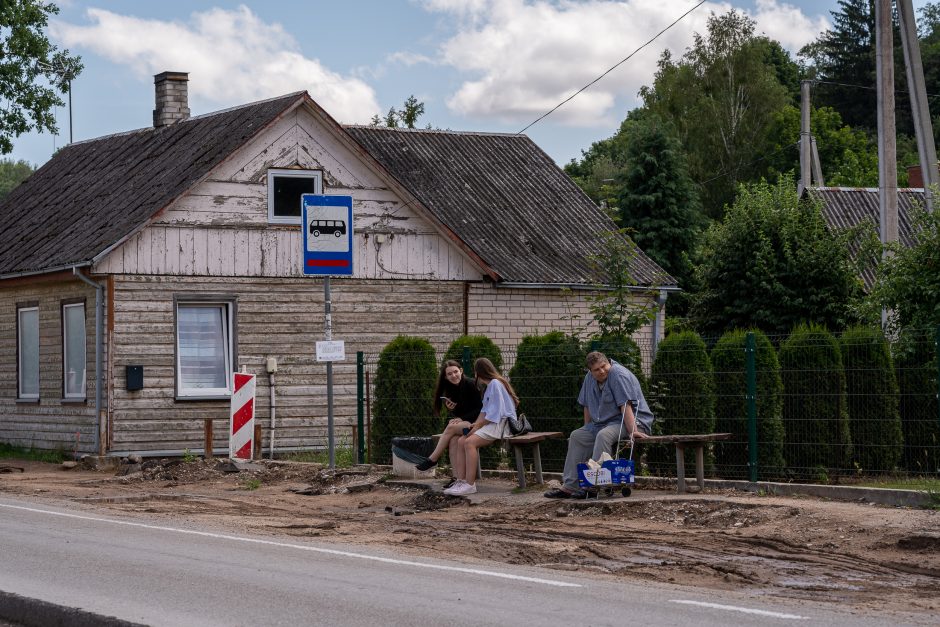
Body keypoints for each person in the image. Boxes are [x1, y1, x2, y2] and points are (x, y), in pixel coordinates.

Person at [544, 351, 654, 499]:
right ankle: (570, 487)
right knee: (577, 436)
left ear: (608, 362)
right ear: (590, 371)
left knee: (603, 435)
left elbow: (625, 405)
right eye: (597, 369)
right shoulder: (589, 378)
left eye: (604, 366)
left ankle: (592, 486)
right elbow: (587, 405)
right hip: (603, 423)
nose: (602, 371)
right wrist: (587, 429)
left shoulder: (618, 374)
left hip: (632, 421)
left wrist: (633, 430)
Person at [443, 357, 519, 496]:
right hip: (491, 423)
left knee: (470, 443)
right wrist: (475, 425)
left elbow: (495, 414)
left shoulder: (496, 383)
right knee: (461, 440)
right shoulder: (490, 386)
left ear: (479, 372)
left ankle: (470, 485)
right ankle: (461, 481)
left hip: (501, 425)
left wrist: (478, 425)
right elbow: (484, 411)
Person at [415, 360, 483, 479]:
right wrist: (452, 410)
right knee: (453, 442)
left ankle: (433, 459)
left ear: (461, 371)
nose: (453, 375)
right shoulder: (451, 389)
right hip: (467, 423)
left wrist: (461, 418)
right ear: (445, 377)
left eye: (455, 372)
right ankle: (457, 478)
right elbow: (463, 411)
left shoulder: (471, 384)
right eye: (449, 374)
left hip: (479, 423)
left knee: (451, 427)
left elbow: (480, 409)